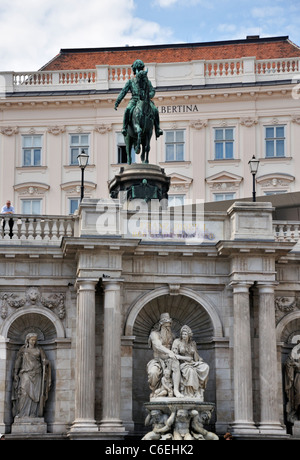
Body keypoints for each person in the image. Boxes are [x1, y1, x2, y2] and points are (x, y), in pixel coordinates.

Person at [114, 59, 163, 139]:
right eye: (138, 69)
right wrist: (117, 102)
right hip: (134, 100)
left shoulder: (146, 81)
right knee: (128, 109)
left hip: (145, 100)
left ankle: (157, 129)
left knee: (155, 110)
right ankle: (124, 128)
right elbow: (123, 92)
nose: (140, 71)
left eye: (141, 69)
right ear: (135, 70)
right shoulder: (131, 81)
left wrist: (148, 96)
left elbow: (152, 91)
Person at [12, 333, 51, 419]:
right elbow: (18, 362)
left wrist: (46, 362)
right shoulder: (23, 350)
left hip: (37, 374)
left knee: (36, 394)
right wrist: (15, 373)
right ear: (28, 340)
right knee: (24, 393)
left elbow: (45, 360)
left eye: (35, 340)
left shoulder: (39, 350)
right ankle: (22, 413)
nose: (33, 341)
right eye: (32, 340)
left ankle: (34, 413)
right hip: (25, 373)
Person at [147, 312, 183, 398]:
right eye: (165, 326)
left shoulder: (172, 336)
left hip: (170, 360)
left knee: (176, 364)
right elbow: (158, 346)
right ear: (161, 325)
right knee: (153, 372)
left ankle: (176, 390)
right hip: (157, 360)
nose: (167, 328)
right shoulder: (154, 334)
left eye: (169, 326)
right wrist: (169, 352)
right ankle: (155, 391)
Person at [172, 325, 209, 398]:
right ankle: (191, 393)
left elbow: (196, 356)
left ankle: (199, 390)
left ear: (189, 335)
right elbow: (174, 355)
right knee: (191, 371)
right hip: (182, 363)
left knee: (205, 367)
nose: (184, 336)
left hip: (193, 363)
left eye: (185, 334)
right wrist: (186, 358)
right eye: (182, 334)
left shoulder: (192, 343)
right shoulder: (177, 342)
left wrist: (198, 360)